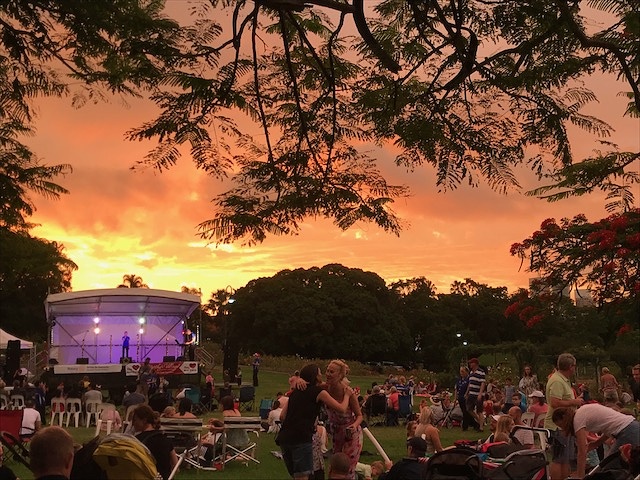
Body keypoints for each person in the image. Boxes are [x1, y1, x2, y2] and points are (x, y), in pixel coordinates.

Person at [277, 363, 353, 480]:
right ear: (315, 376)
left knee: (296, 475)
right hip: (301, 438)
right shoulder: (319, 392)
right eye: (320, 373)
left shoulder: (296, 391)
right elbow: (342, 409)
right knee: (302, 477)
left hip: (284, 439)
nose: (322, 375)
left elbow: (282, 416)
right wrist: (347, 395)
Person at [552, 404, 640, 478]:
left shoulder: (577, 419)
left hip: (628, 431)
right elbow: (609, 425)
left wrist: (580, 476)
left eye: (561, 425)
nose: (562, 428)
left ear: (564, 418)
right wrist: (596, 443)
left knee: (609, 469)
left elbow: (581, 452)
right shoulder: (582, 412)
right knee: (616, 465)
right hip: (632, 427)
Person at [544, 352, 584, 480]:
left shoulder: (562, 380)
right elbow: (555, 402)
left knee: (565, 459)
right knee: (559, 459)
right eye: (574, 366)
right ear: (571, 367)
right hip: (557, 426)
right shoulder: (557, 381)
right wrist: (574, 402)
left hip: (565, 426)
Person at [325, 359, 364, 478]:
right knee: (335, 466)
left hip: (350, 434)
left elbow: (359, 415)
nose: (328, 374)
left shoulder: (348, 392)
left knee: (348, 468)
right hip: (336, 433)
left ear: (340, 375)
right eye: (327, 371)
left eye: (332, 372)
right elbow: (310, 384)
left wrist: (355, 425)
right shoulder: (325, 388)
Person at [132, 405, 178, 480]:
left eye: (135, 420)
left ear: (144, 420)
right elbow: (176, 465)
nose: (133, 423)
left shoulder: (137, 441)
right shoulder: (165, 438)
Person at [465, 358, 486, 432]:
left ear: (475, 363)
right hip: (471, 393)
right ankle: (479, 420)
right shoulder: (471, 373)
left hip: (478, 394)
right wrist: (467, 392)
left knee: (479, 410)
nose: (470, 365)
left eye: (471, 363)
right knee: (469, 409)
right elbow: (470, 384)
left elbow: (483, 383)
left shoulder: (481, 372)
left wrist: (480, 394)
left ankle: (481, 427)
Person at [455, 365, 476, 431]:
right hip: (460, 397)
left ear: (467, 372)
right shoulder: (459, 380)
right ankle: (475, 424)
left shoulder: (469, 379)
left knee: (466, 412)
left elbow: (469, 387)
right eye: (460, 371)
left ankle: (465, 427)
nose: (461, 373)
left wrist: (466, 394)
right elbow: (456, 388)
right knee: (465, 412)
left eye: (462, 371)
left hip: (466, 397)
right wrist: (455, 398)